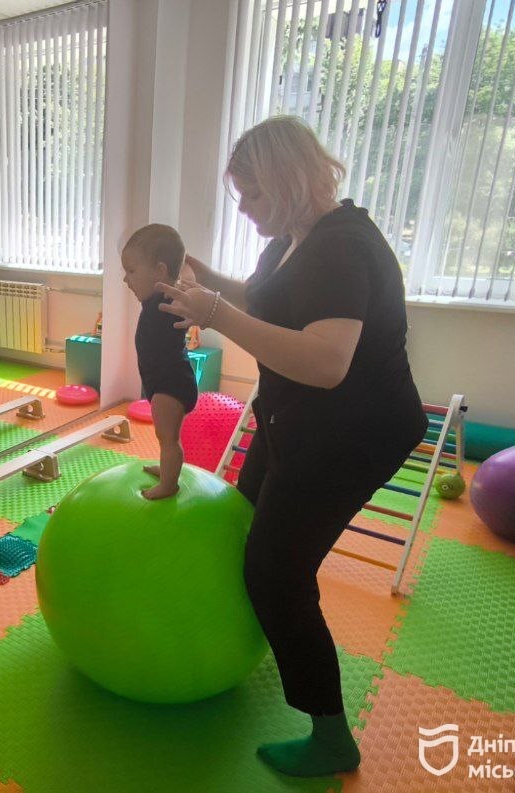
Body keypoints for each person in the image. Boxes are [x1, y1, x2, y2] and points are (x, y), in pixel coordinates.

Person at [157, 116, 426, 777]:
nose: (244, 208)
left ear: (287, 180)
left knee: (278, 570)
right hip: (295, 417)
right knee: (244, 524)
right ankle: (251, 642)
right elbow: (270, 299)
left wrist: (216, 314)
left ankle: (331, 735)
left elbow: (326, 362)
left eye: (252, 194)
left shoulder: (342, 247)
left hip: (355, 432)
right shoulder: (292, 237)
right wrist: (204, 282)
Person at [120, 223, 199, 500]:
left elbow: (187, 280)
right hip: (164, 382)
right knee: (164, 436)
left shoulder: (168, 299)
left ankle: (169, 485)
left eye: (131, 271)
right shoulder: (158, 297)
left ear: (160, 271)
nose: (125, 279)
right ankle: (167, 469)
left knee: (168, 437)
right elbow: (185, 271)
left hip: (171, 384)